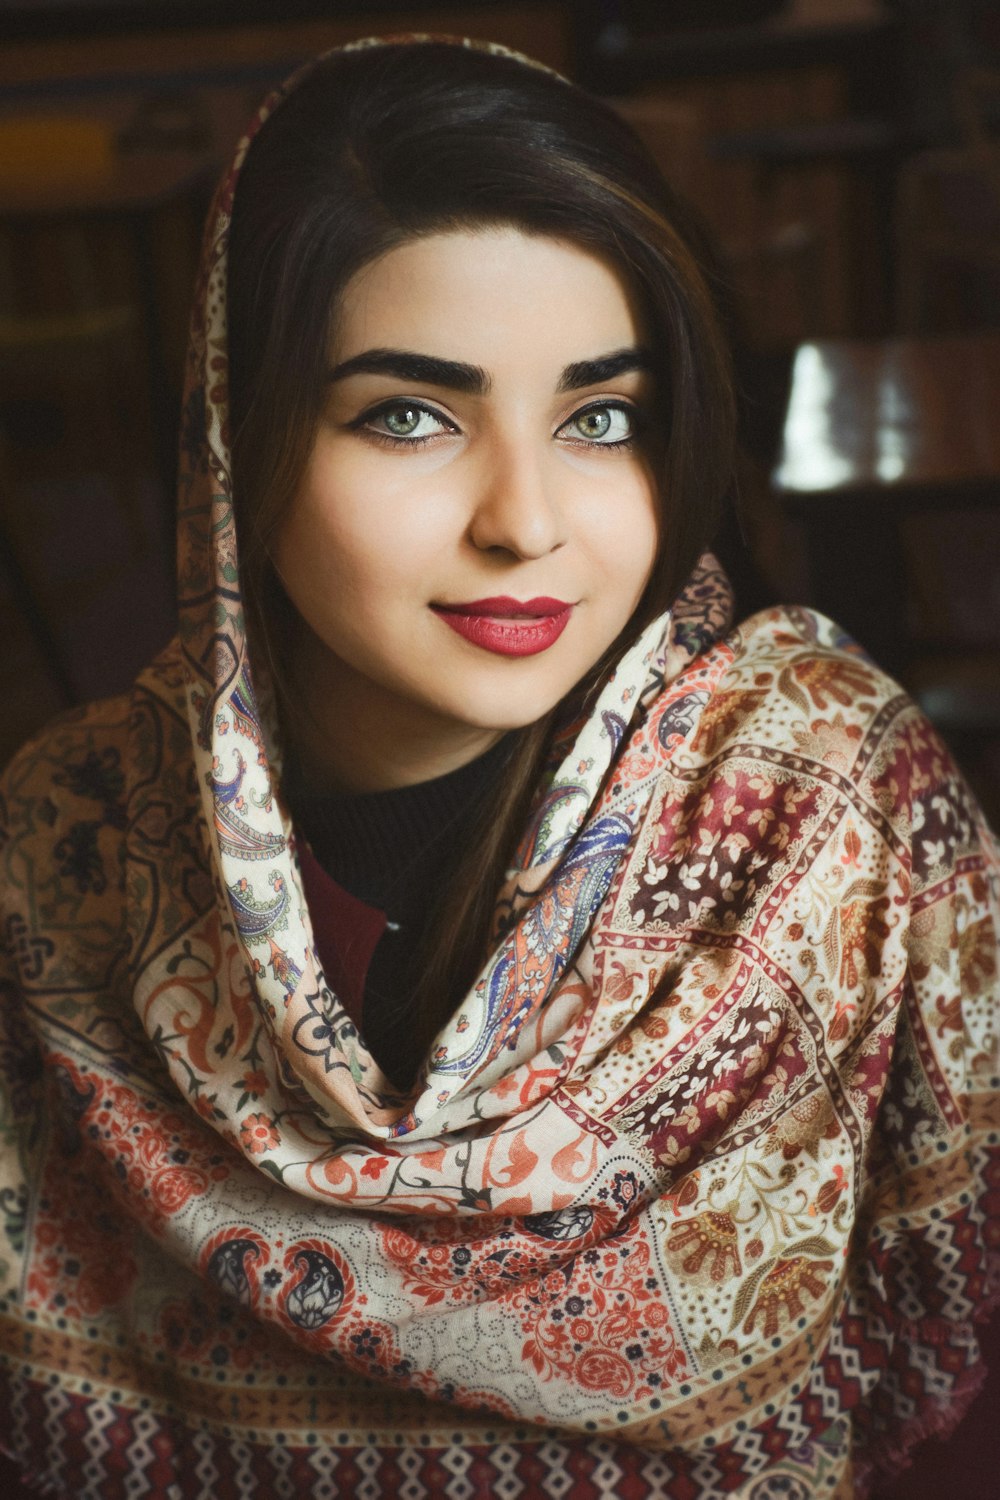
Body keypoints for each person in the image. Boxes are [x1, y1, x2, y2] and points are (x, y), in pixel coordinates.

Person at [0, 36, 996, 1500]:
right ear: (240, 437)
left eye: (603, 417)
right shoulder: (60, 848)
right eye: (409, 414)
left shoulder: (828, 816)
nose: (525, 520)